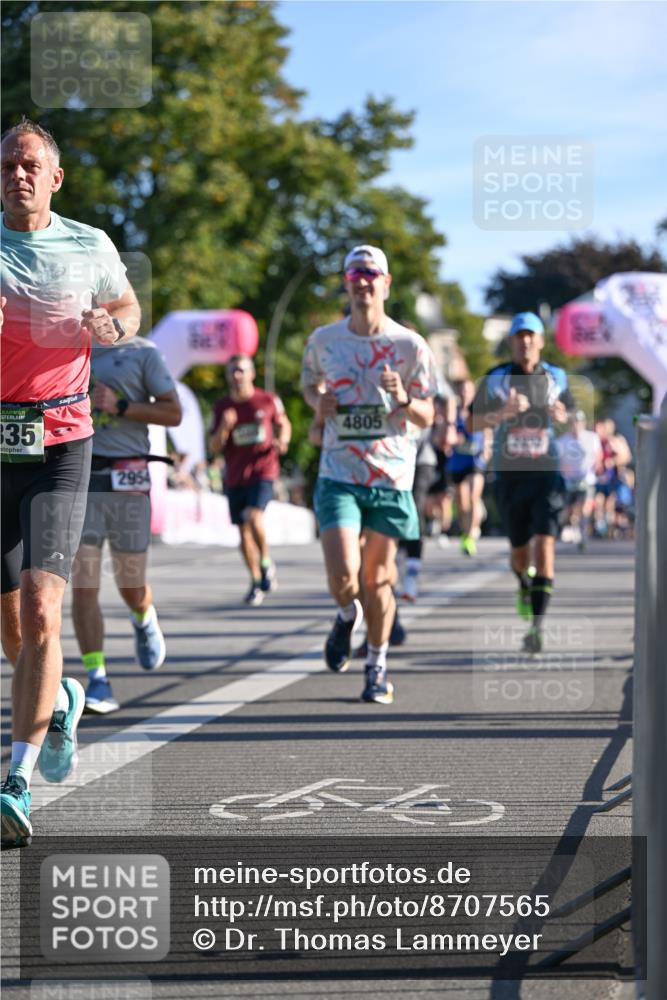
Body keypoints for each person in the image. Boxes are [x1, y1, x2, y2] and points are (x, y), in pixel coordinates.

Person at [0, 119, 140, 846]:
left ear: (54, 177)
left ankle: (14, 779)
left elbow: (127, 310)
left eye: (29, 165)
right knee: (13, 630)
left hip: (60, 439)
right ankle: (62, 696)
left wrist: (110, 327)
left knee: (43, 607)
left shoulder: (88, 243)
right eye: (7, 166)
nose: (17, 175)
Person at [301, 244, 438, 704]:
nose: (362, 281)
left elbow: (428, 416)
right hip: (339, 471)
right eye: (354, 273)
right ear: (347, 282)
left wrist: (402, 398)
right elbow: (307, 384)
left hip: (391, 477)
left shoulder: (409, 346)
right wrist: (317, 402)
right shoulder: (325, 340)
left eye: (371, 273)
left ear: (386, 282)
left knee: (378, 578)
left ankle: (377, 666)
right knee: (344, 573)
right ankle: (345, 615)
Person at [70, 338, 182, 713]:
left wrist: (119, 406)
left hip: (128, 477)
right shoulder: (65, 345)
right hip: (80, 477)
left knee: (130, 584)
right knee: (84, 586)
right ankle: (97, 678)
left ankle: (142, 613)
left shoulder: (142, 352)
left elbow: (174, 413)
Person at [468, 311, 574, 654]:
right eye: (519, 336)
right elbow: (470, 423)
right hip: (510, 476)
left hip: (547, 475)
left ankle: (536, 628)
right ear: (512, 341)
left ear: (541, 341)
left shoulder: (557, 377)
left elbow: (570, 414)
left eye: (532, 336)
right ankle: (523, 584)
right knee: (519, 554)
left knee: (544, 548)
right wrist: (502, 414)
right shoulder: (496, 378)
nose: (525, 342)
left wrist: (563, 416)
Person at [209, 354, 291, 606]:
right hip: (235, 475)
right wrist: (224, 427)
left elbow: (284, 423)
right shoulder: (222, 407)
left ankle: (266, 564)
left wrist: (283, 440)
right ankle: (256, 581)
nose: (237, 376)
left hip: (263, 471)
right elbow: (213, 448)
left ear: (252, 373)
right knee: (242, 533)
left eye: (241, 370)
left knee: (253, 517)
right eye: (232, 371)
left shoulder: (267, 400)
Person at [446, 378, 489, 556]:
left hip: (476, 461)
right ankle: (466, 533)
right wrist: (454, 439)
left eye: (468, 390)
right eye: (462, 390)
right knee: (462, 504)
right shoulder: (453, 413)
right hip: (458, 462)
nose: (465, 393)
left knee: (472, 497)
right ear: (458, 392)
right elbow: (447, 436)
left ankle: (471, 536)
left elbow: (488, 430)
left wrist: (486, 449)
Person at [557, 410, 602, 551]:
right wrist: (565, 469)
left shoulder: (592, 437)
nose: (576, 425)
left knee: (585, 508)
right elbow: (558, 461)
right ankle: (572, 529)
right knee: (569, 510)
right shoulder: (563, 440)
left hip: (587, 480)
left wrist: (595, 465)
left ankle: (583, 536)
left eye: (579, 422)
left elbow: (598, 456)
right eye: (574, 422)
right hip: (569, 481)